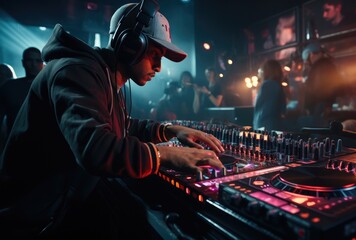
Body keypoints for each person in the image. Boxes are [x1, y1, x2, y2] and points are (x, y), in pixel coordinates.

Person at [0, 1, 225, 239]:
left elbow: (123, 126)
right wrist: (166, 154)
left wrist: (169, 130)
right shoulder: (75, 71)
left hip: (57, 201)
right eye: (154, 55)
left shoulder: (102, 77)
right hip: (32, 217)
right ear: (130, 45)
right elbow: (95, 149)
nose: (159, 67)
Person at [0, 47, 44, 138]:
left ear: (42, 63)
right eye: (29, 60)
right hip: (16, 144)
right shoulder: (9, 87)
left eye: (38, 60)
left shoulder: (51, 87)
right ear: (23, 63)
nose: (33, 64)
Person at [300, 42, 343, 127]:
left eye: (309, 58)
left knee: (317, 131)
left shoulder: (318, 67)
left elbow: (314, 89)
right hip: (325, 104)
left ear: (312, 54)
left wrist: (307, 105)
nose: (309, 61)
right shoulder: (329, 65)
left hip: (318, 105)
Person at [253, 59, 286, 131]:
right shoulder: (276, 85)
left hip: (264, 125)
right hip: (271, 125)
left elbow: (261, 107)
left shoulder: (267, 85)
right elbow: (282, 109)